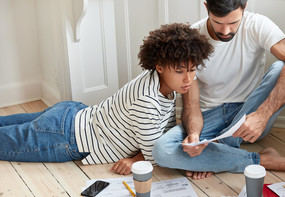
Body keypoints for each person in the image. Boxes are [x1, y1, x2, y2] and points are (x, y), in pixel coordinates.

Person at [0, 23, 213, 175]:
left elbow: (160, 132)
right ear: (159, 66)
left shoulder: (162, 82)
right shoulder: (146, 101)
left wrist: (137, 157)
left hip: (72, 114)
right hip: (66, 136)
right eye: (180, 71)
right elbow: (158, 155)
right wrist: (196, 166)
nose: (189, 78)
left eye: (193, 70)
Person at [153, 0, 285, 180]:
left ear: (244, 8)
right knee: (162, 150)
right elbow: (191, 106)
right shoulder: (193, 39)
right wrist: (194, 135)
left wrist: (262, 115)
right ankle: (261, 159)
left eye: (233, 23)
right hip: (209, 118)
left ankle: (218, 156)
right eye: (218, 22)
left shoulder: (257, 24)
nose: (225, 31)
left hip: (249, 114)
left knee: (282, 66)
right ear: (206, 7)